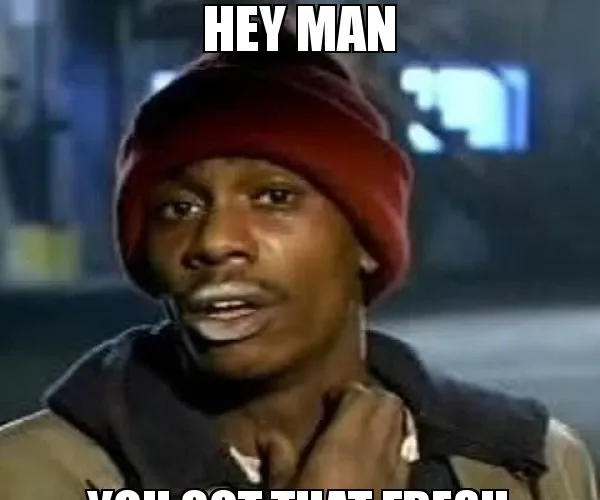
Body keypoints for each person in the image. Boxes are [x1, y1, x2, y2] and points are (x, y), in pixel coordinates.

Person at [0, 30, 597, 500]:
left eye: (274, 197)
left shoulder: (529, 466)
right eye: (179, 208)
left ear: (366, 239)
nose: (214, 241)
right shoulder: (30, 477)